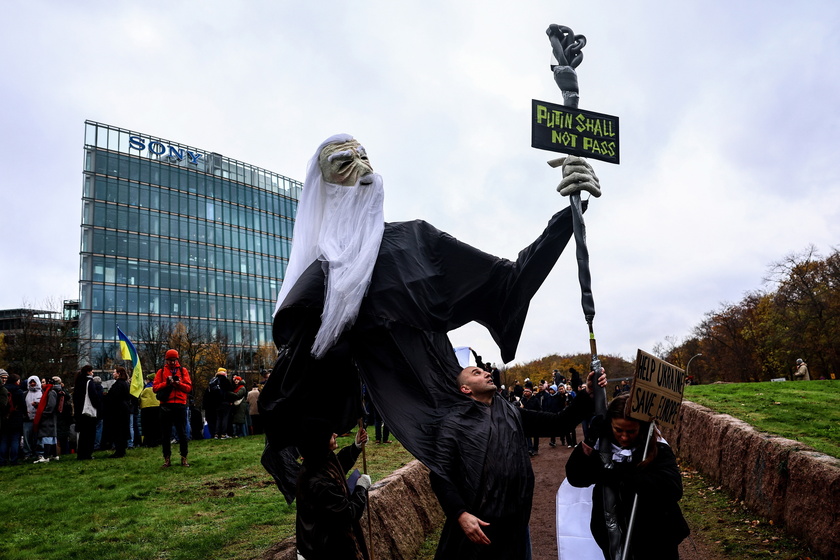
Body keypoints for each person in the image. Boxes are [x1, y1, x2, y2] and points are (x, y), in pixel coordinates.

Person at [260, 134, 600, 505]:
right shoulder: (322, 283)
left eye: (365, 157)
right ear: (324, 189)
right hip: (436, 434)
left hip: (475, 414)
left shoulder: (415, 243)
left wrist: (568, 214)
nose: (363, 169)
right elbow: (297, 387)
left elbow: (507, 284)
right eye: (344, 163)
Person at [430, 365, 606, 559]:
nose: (487, 373)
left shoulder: (512, 413)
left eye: (485, 371)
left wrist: (587, 392)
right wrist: (460, 514)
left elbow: (558, 423)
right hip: (479, 523)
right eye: (476, 373)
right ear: (465, 389)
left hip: (515, 522)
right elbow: (440, 474)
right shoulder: (453, 423)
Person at [565, 393, 689, 560]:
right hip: (613, 538)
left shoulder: (657, 448)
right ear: (610, 424)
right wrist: (589, 439)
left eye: (631, 431)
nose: (624, 436)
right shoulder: (603, 447)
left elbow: (673, 489)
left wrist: (619, 475)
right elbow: (577, 477)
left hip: (655, 538)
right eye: (618, 430)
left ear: (642, 427)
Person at [295, 423, 372, 560]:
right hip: (327, 550)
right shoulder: (319, 483)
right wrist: (361, 488)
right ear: (320, 441)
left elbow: (338, 465)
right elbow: (349, 512)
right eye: (330, 434)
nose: (336, 434)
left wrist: (356, 447)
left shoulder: (318, 460)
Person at [153, 349, 193, 467]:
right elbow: (155, 388)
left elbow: (188, 388)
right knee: (166, 434)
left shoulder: (183, 370)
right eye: (169, 360)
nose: (171, 363)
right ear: (166, 360)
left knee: (182, 433)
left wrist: (178, 383)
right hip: (166, 405)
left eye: (173, 360)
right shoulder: (161, 372)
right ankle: (167, 459)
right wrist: (167, 383)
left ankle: (184, 458)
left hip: (180, 404)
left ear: (177, 360)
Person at [73, 365, 102, 460]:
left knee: (83, 435)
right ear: (89, 372)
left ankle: (81, 454)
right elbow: (93, 397)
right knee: (90, 434)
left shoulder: (79, 382)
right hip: (88, 412)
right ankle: (87, 454)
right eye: (92, 371)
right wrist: (99, 406)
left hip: (80, 411)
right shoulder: (89, 382)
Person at [103, 366, 131, 458]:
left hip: (118, 411)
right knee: (122, 430)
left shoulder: (118, 384)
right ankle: (121, 450)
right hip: (124, 409)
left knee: (118, 430)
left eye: (114, 372)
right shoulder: (125, 383)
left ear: (119, 374)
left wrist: (106, 397)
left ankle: (119, 451)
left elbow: (113, 397)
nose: (113, 374)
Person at [0, 373, 26, 466]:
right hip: (16, 417)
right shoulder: (18, 391)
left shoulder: (3, 389)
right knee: (15, 439)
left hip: (4, 417)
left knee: (4, 440)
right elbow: (23, 405)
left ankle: (2, 460)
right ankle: (14, 459)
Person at [139, 374, 161, 447]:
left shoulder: (146, 388)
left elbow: (141, 397)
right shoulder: (158, 387)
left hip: (146, 408)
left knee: (147, 426)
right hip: (157, 407)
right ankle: (157, 441)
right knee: (156, 425)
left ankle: (148, 442)